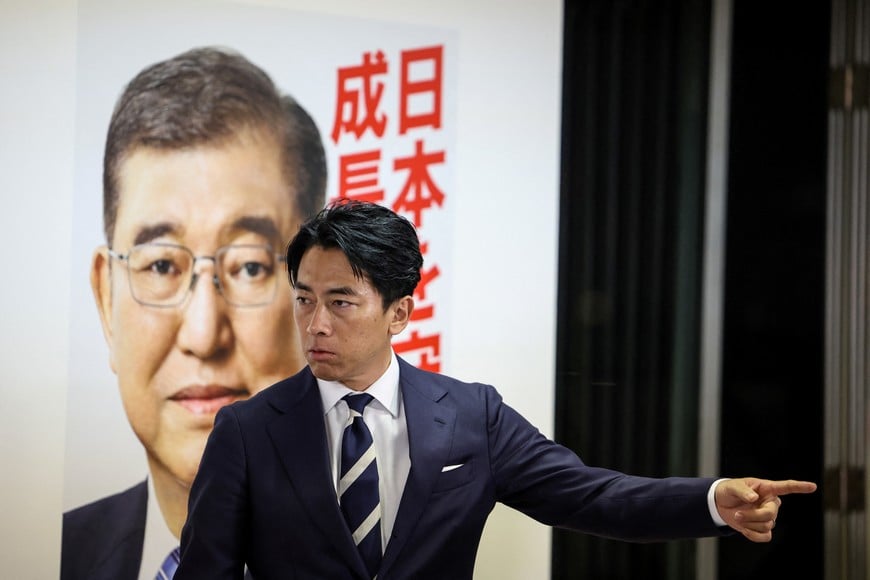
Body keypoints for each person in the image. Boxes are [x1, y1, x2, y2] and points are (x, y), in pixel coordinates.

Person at [175, 199, 817, 579]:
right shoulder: (249, 429)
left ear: (399, 313)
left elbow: (591, 497)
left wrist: (710, 501)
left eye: (341, 301)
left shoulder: (470, 415)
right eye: (305, 299)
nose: (316, 322)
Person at [60, 46, 327, 580]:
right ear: (107, 300)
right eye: (161, 265)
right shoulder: (51, 553)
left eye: (249, 267)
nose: (204, 334)